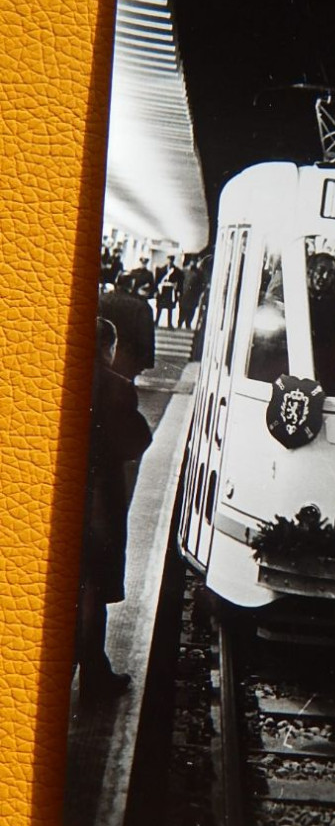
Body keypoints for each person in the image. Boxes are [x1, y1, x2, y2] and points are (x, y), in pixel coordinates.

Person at [76, 318, 152, 705]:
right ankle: (93, 676)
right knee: (90, 590)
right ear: (107, 348)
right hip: (95, 506)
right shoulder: (115, 388)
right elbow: (135, 442)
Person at [98, 274, 155, 381]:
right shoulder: (141, 306)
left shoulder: (101, 300)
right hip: (129, 358)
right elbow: (146, 337)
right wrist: (145, 362)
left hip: (102, 354)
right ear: (132, 286)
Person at [307, 251, 335, 394]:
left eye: (330, 273)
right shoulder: (296, 296)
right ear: (310, 271)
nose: (325, 277)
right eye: (321, 271)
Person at [154, 254, 182, 327]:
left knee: (170, 307)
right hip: (162, 290)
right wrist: (156, 290)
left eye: (171, 260)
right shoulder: (161, 270)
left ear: (173, 261)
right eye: (168, 259)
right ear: (167, 260)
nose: (170, 261)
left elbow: (179, 282)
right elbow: (157, 281)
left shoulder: (177, 271)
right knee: (159, 306)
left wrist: (178, 291)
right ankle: (156, 321)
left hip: (170, 291)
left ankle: (169, 323)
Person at [178, 259, 204, 330]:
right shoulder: (184, 271)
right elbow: (179, 282)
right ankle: (180, 324)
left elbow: (201, 285)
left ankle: (188, 323)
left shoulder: (199, 273)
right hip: (184, 294)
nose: (193, 263)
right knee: (182, 311)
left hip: (193, 296)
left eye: (195, 261)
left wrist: (198, 294)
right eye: (192, 261)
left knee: (191, 311)